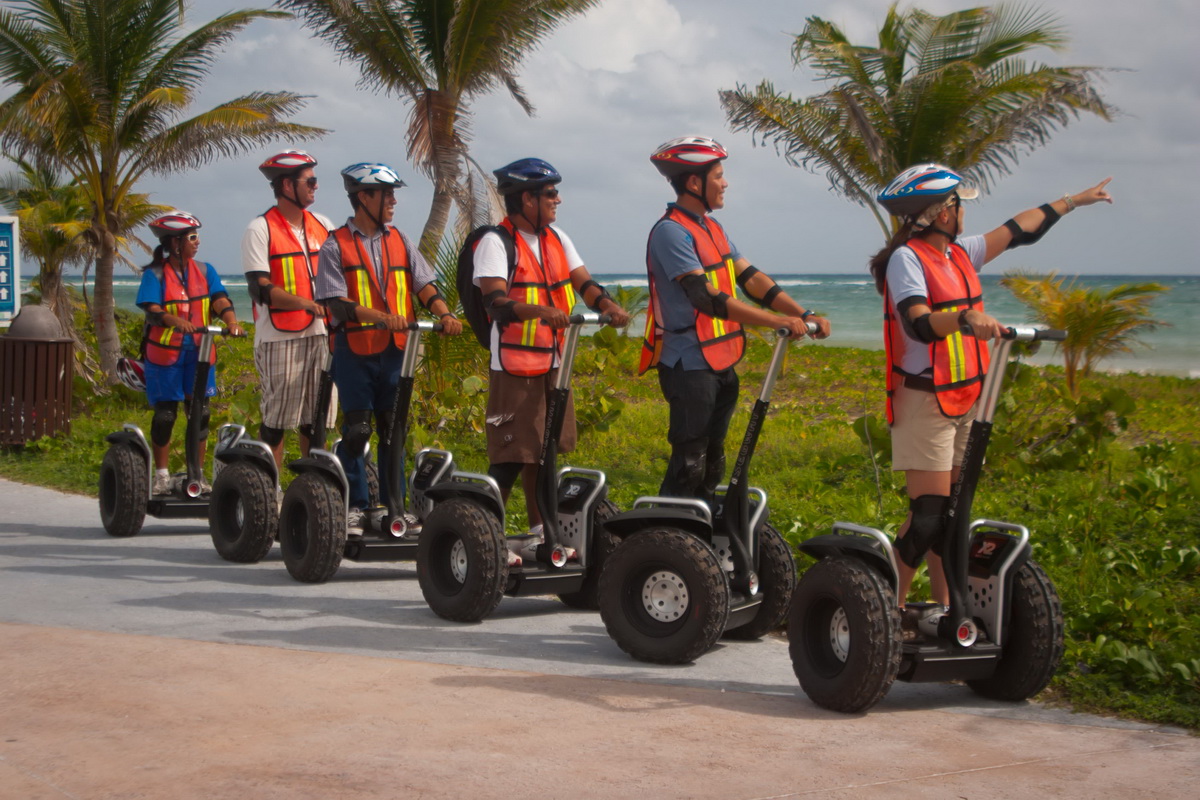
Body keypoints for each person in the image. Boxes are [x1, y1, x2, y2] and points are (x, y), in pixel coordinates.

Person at [869, 163, 1113, 626]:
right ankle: (885, 610)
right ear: (942, 212)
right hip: (925, 400)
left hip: (965, 400)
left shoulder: (961, 253)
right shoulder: (908, 259)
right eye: (958, 204)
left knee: (951, 516)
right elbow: (918, 321)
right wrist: (964, 318)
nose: (964, 212)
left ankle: (943, 610)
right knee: (927, 518)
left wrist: (1072, 202)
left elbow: (1018, 230)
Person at [642, 136, 830, 503]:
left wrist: (801, 313)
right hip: (688, 364)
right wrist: (772, 321)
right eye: (719, 175)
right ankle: (666, 537)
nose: (725, 183)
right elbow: (705, 298)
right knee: (689, 460)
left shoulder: (712, 228)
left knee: (714, 459)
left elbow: (752, 279)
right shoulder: (670, 232)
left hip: (722, 360)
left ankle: (702, 533)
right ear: (695, 183)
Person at [474, 158, 629, 563]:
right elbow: (495, 301)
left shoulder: (557, 238)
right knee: (510, 456)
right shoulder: (496, 242)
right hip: (513, 366)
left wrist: (607, 305)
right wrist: (540, 311)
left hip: (553, 361)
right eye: (549, 193)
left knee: (544, 453)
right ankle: (485, 534)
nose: (557, 199)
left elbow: (583, 281)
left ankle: (541, 531)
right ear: (527, 199)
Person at [313, 162, 462, 536]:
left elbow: (424, 285)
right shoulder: (335, 245)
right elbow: (336, 303)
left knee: (393, 429)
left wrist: (445, 314)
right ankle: (355, 505)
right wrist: (379, 316)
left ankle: (394, 507)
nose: (393, 200)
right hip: (355, 350)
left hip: (396, 351)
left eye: (394, 193)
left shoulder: (400, 240)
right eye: (386, 194)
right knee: (359, 430)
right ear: (364, 198)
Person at [135, 211, 244, 495]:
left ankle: (197, 474)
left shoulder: (205, 271)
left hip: (199, 355)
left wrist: (231, 321)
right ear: (175, 243)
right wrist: (175, 321)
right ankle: (160, 475)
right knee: (165, 416)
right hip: (164, 358)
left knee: (201, 413)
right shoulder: (155, 274)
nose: (197, 243)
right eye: (192, 237)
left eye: (197, 237)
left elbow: (219, 298)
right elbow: (152, 310)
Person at [242, 150, 336, 468]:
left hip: (322, 335)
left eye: (315, 180)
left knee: (316, 419)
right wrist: (306, 304)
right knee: (277, 421)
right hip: (279, 338)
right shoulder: (260, 229)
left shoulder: (323, 225)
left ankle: (311, 490)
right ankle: (269, 493)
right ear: (286, 186)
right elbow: (260, 289)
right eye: (309, 180)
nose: (315, 186)